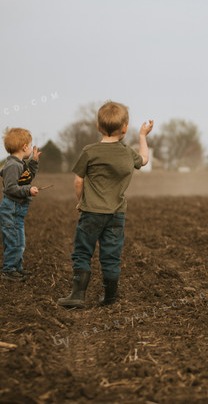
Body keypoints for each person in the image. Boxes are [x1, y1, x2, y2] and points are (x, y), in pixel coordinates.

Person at [58, 101, 153, 308]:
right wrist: (143, 136)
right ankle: (110, 296)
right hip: (116, 214)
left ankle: (77, 295)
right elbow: (145, 160)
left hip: (91, 212)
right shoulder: (128, 153)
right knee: (111, 255)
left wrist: (81, 202)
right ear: (125, 128)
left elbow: (78, 180)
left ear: (98, 126)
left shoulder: (90, 151)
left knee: (83, 251)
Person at [0, 128, 41, 282]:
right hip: (11, 210)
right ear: (24, 147)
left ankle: (17, 268)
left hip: (16, 210)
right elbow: (10, 188)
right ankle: (8, 271)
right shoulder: (13, 166)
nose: (31, 148)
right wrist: (28, 190)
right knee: (14, 241)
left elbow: (27, 178)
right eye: (30, 146)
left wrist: (34, 161)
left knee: (19, 241)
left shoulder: (19, 163)